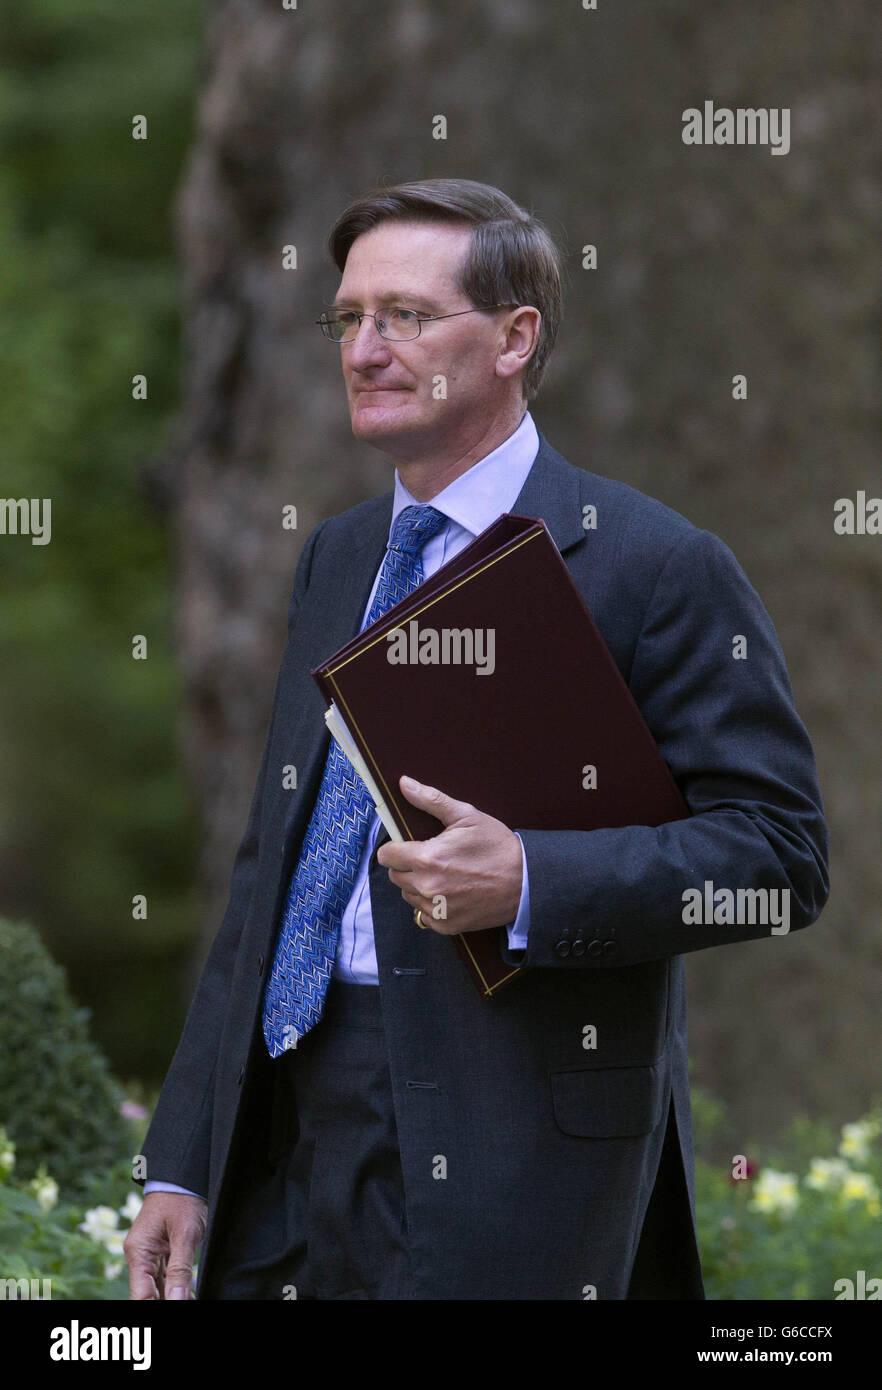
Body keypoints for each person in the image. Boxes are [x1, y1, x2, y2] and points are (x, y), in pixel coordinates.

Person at [124, 178, 828, 1301]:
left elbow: (779, 857)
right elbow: (271, 874)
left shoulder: (655, 565)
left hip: (514, 1157)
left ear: (515, 338)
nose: (364, 349)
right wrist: (184, 1157)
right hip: (288, 1128)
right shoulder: (337, 557)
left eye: (404, 316)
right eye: (348, 319)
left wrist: (534, 879)